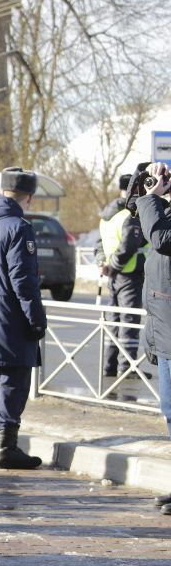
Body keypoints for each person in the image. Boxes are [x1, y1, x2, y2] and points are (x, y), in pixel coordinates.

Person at [0, 167, 47, 470]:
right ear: (28, 196)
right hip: (11, 317)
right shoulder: (18, 226)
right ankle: (7, 447)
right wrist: (36, 318)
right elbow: (23, 280)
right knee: (15, 380)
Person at [134, 163, 171, 516]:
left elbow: (161, 238)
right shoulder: (160, 211)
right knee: (170, 413)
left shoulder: (163, 220)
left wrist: (152, 199)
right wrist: (146, 180)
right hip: (165, 337)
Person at [97, 174, 147, 378]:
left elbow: (99, 244)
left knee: (114, 320)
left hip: (113, 277)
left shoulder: (107, 215)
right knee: (129, 322)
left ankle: (109, 365)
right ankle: (126, 368)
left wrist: (103, 263)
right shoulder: (129, 215)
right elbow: (127, 248)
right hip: (129, 275)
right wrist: (114, 267)